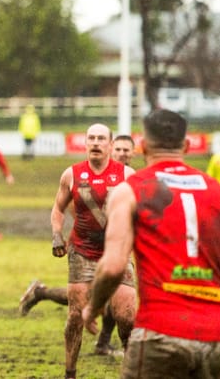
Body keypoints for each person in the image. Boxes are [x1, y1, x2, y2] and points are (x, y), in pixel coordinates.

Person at [83, 110, 220, 379]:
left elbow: (113, 266)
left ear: (142, 146)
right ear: (186, 146)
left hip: (158, 334)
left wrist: (94, 306)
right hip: (215, 338)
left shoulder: (130, 190)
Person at [18, 130, 138, 356]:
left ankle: (102, 341)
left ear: (133, 154)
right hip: (88, 247)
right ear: (111, 149)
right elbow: (73, 208)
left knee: (115, 297)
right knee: (91, 298)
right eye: (118, 150)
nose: (122, 154)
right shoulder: (83, 176)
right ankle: (43, 294)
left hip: (117, 248)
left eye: (126, 151)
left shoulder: (130, 176)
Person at [50, 123, 137, 379]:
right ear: (86, 143)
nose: (96, 142)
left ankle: (132, 372)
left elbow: (141, 212)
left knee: (127, 317)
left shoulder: (128, 175)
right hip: (82, 252)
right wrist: (57, 235)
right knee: (75, 317)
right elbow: (58, 209)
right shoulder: (71, 174)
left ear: (110, 144)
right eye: (91, 138)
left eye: (101, 138)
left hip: (117, 252)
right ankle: (70, 374)